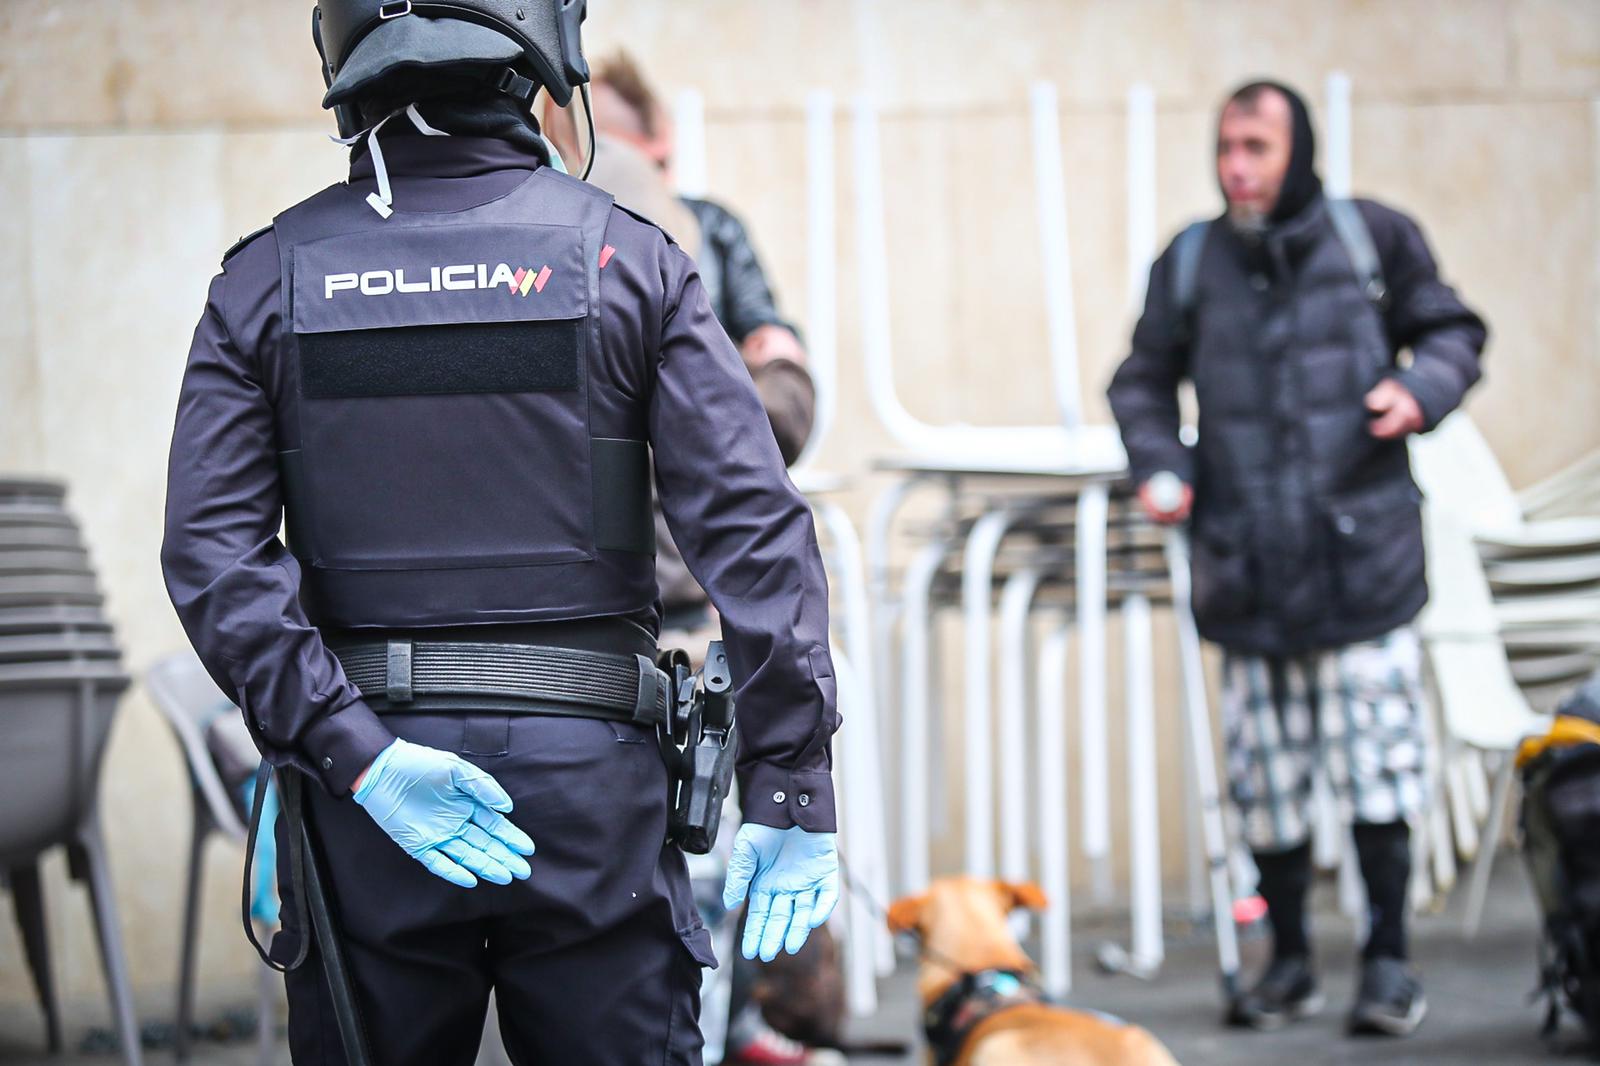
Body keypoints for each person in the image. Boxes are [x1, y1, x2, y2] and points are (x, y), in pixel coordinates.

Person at [160, 4, 840, 1063]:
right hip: (593, 795)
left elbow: (214, 556)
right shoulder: (629, 262)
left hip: (366, 804)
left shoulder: (265, 281)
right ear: (543, 56)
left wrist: (359, 756)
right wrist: (791, 781)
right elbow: (755, 531)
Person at [1107, 80, 1487, 1038]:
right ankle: (1287, 966)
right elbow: (1142, 382)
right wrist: (1160, 466)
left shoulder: (1374, 240)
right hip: (1247, 569)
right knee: (1266, 786)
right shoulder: (1189, 261)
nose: (1238, 165)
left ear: (1298, 151)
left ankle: (1388, 963)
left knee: (1381, 772)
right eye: (1227, 145)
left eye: (1258, 147)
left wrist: (1418, 390)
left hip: (1366, 567)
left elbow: (1453, 331)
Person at [575, 52, 824, 1066]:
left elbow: (778, 424)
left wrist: (764, 374)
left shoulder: (707, 235)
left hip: (688, 609)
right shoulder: (552, 242)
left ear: (659, 146)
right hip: (591, 615)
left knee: (710, 884)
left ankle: (740, 1030)